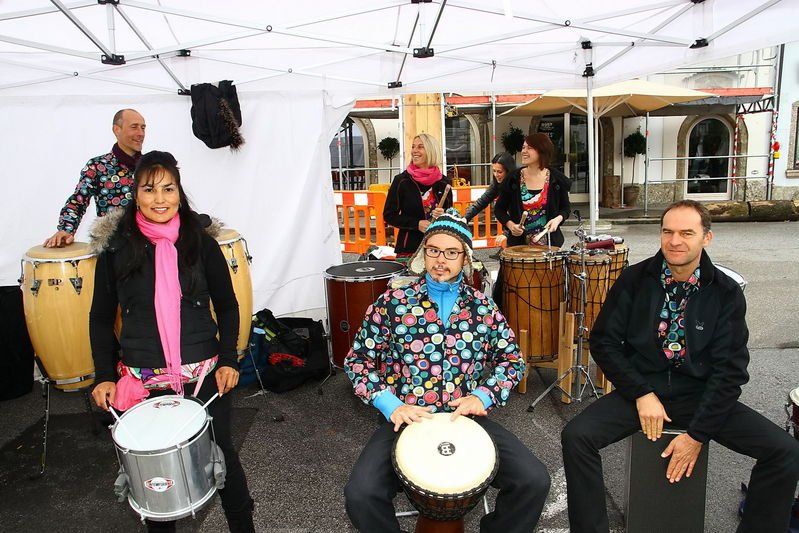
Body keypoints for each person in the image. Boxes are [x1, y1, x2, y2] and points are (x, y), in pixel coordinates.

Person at [560, 200, 799, 533]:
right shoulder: (634, 279)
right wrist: (641, 393)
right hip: (644, 390)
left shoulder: (726, 292)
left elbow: (730, 371)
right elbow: (603, 341)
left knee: (785, 452)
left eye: (687, 233)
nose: (675, 241)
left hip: (700, 395)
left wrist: (697, 435)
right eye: (668, 232)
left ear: (706, 237)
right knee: (576, 436)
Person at [343, 209, 551, 533]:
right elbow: (358, 360)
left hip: (463, 419)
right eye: (434, 250)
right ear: (423, 253)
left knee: (533, 480)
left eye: (451, 252)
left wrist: (483, 396)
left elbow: (512, 360)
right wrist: (390, 405)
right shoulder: (393, 303)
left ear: (465, 258)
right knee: (361, 494)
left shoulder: (483, 308)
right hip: (408, 419)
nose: (441, 260)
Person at [88, 151, 255, 533]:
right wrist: (103, 375)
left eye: (168, 188)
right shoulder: (116, 250)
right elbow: (99, 317)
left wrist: (229, 359)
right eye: (149, 189)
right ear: (136, 194)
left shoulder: (202, 244)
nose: (160, 199)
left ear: (180, 192)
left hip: (205, 377)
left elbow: (228, 306)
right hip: (144, 381)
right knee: (155, 475)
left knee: (223, 457)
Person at [44, 109, 146, 248]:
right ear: (116, 130)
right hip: (114, 250)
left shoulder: (151, 167)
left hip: (150, 247)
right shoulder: (97, 166)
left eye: (143, 127)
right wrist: (66, 229)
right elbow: (78, 200)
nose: (141, 133)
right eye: (134, 127)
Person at [494, 133, 570, 248]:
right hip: (519, 246)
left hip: (550, 246)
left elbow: (565, 208)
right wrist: (511, 226)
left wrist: (557, 219)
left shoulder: (556, 179)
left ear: (542, 151)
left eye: (529, 148)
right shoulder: (513, 179)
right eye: (523, 147)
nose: (524, 151)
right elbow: (499, 209)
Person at [383, 133, 452, 259]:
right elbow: (389, 215)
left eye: (420, 147)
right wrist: (416, 224)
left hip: (439, 248)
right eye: (413, 147)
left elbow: (451, 215)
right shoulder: (401, 181)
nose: (414, 151)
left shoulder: (444, 182)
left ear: (431, 150)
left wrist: (444, 215)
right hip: (409, 249)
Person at [464, 152, 516, 223]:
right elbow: (482, 201)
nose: (496, 175)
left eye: (500, 172)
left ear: (508, 171)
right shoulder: (496, 184)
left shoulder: (519, 182)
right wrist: (465, 218)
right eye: (494, 171)